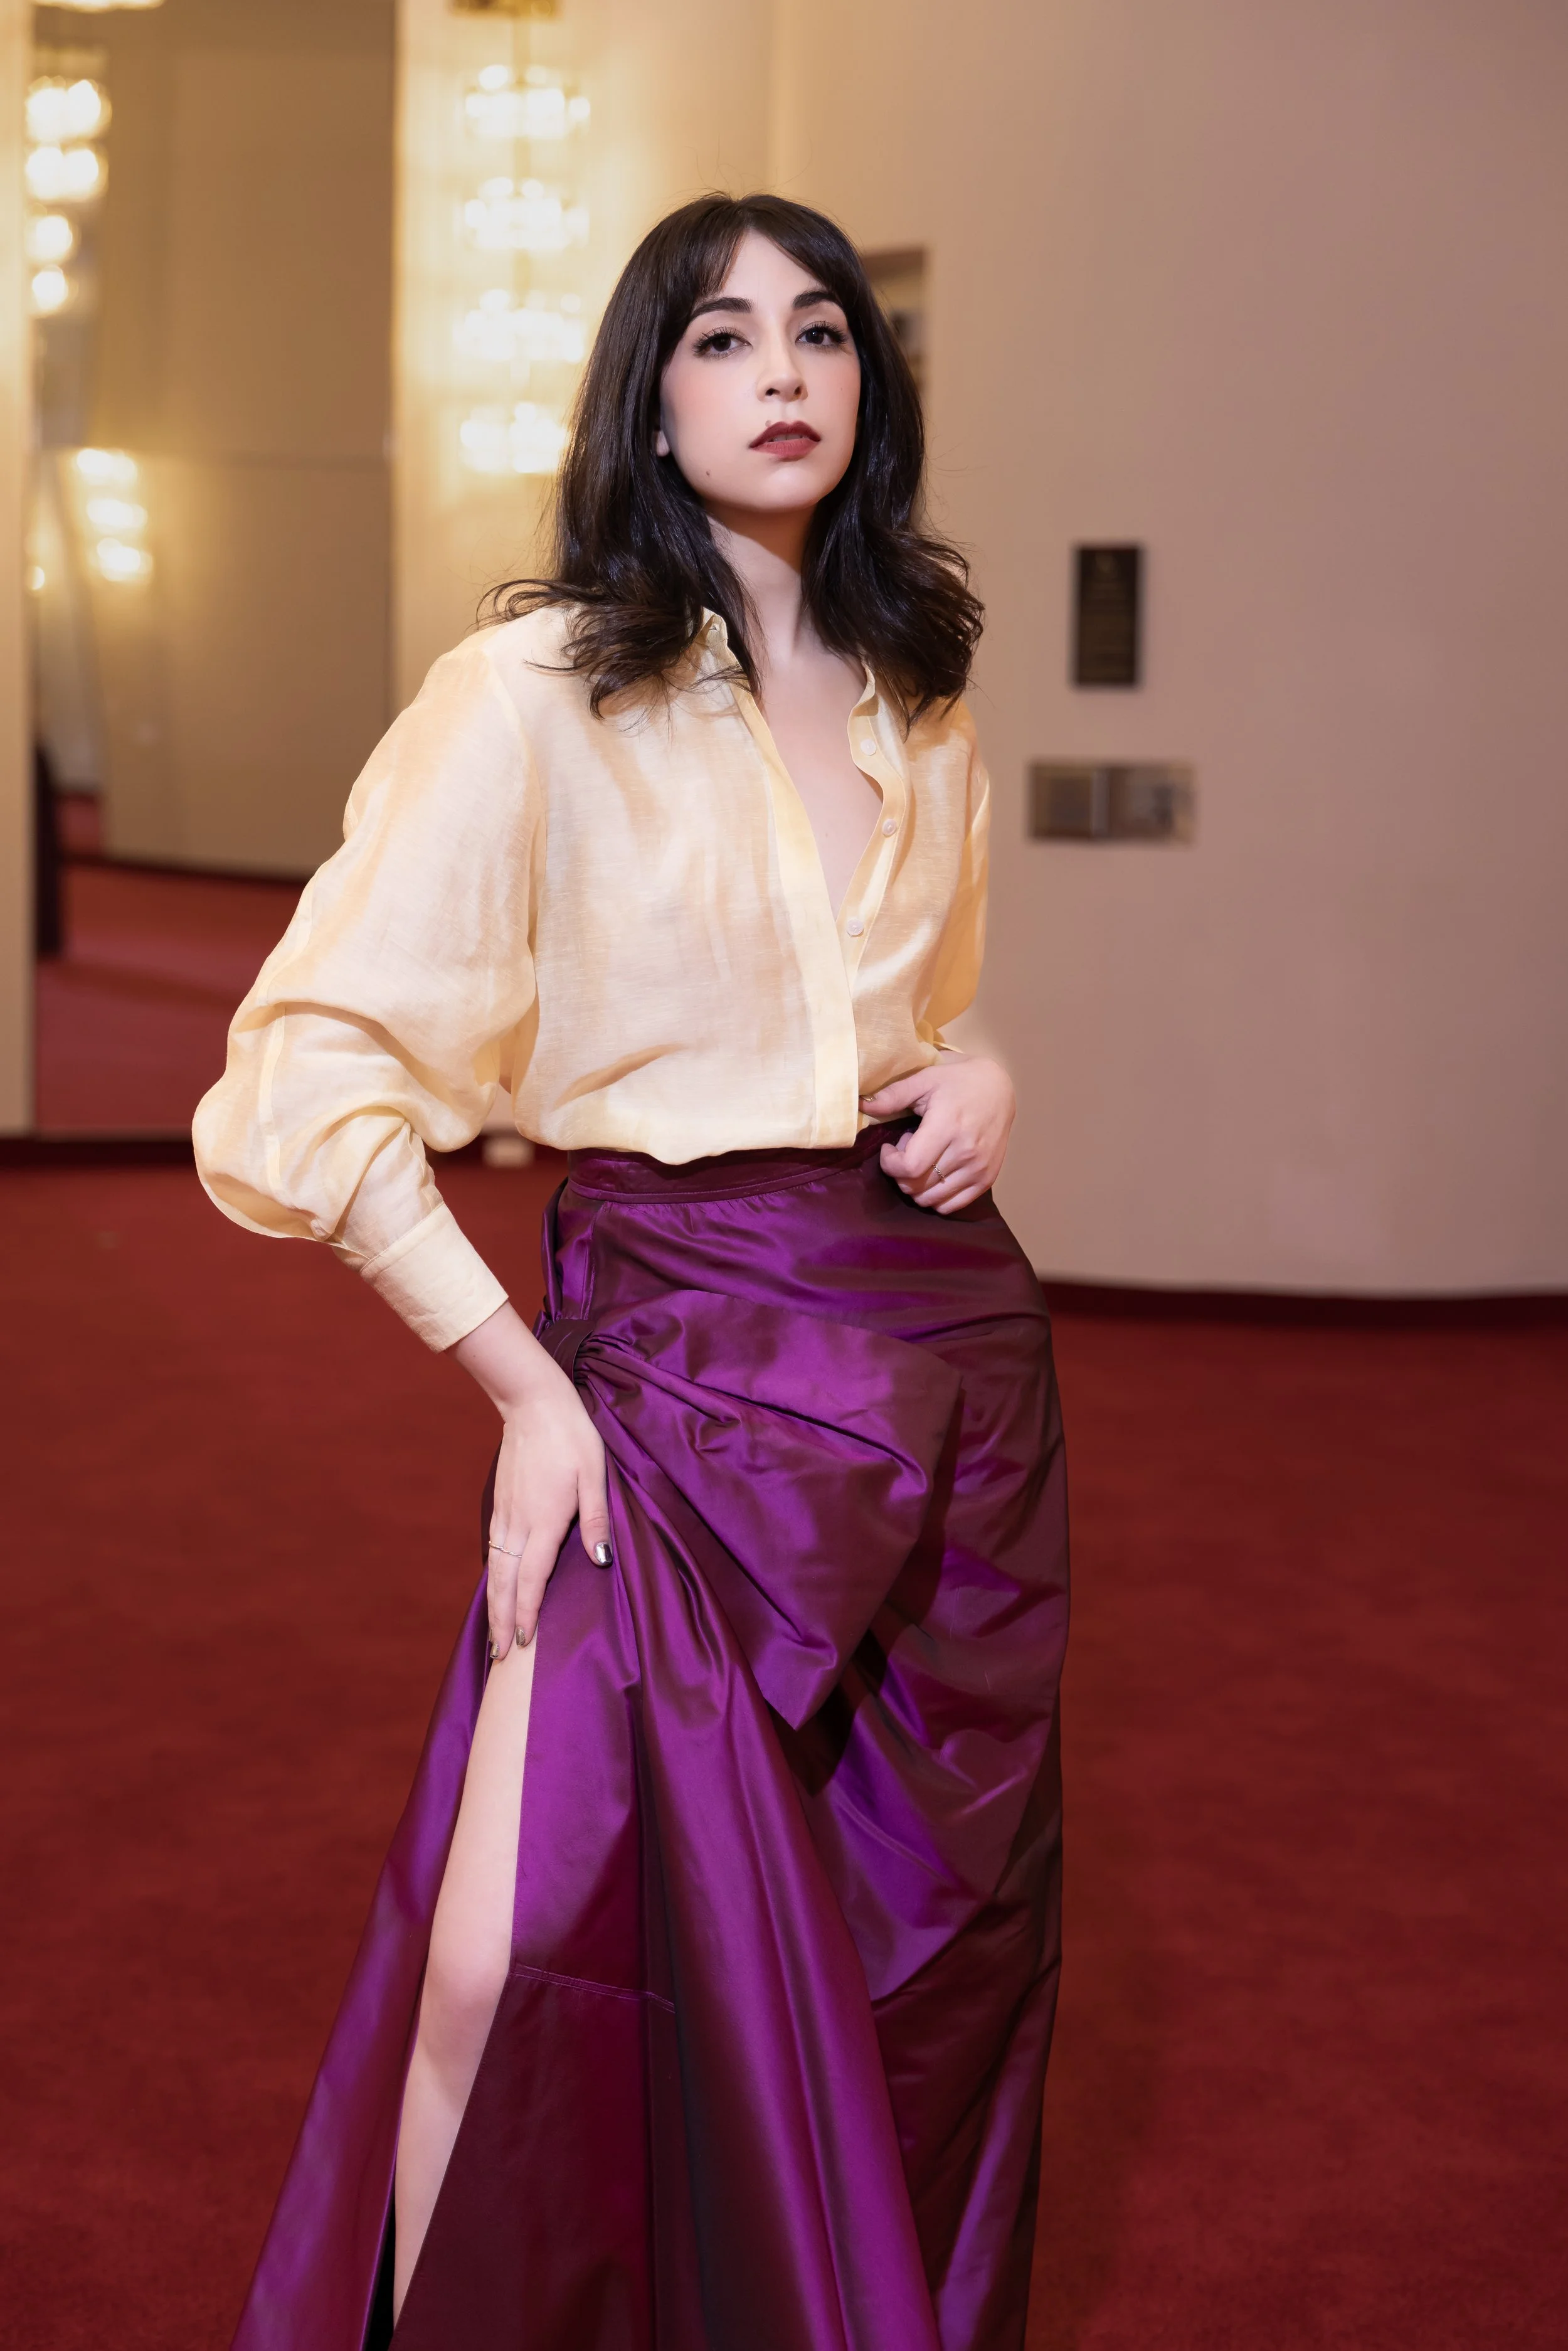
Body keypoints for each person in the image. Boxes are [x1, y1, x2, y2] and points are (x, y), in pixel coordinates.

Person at [194, 192, 1069, 2351]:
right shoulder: (527, 695)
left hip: (944, 1364)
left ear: (868, 383)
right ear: (645, 399)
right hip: (669, 1370)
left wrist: (980, 1069)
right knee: (504, 1948)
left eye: (820, 332)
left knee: (904, 1950)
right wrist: (524, 1385)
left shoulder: (921, 690)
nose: (781, 372)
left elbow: (907, 1007)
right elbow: (301, 1077)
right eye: (720, 336)